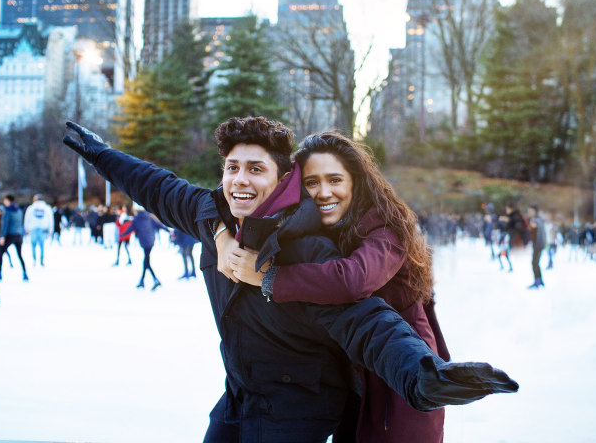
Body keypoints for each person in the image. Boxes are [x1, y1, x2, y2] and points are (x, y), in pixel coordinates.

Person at [63, 118, 518, 442]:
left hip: (300, 402)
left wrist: (424, 374)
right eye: (232, 168)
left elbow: (365, 317)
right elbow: (160, 187)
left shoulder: (312, 247)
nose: (240, 180)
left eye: (256, 169)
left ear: (285, 180)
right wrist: (103, 156)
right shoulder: (214, 216)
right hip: (242, 392)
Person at [216, 132, 448, 442]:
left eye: (335, 180)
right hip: (348, 369)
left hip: (396, 368)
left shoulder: (384, 226)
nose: (323, 193)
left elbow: (354, 279)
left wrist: (270, 278)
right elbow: (210, 198)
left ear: (356, 182)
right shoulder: (320, 228)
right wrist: (220, 234)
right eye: (311, 183)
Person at [120, 203, 169, 289]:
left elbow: (130, 229)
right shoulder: (149, 217)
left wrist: (122, 234)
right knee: (146, 261)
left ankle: (153, 280)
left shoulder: (136, 220)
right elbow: (159, 225)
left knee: (146, 262)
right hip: (151, 241)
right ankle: (144, 281)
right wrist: (168, 230)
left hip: (144, 242)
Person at [0, 194, 29, 282]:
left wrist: (2, 236)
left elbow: (5, 224)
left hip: (10, 235)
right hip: (18, 236)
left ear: (7, 200)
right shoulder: (19, 210)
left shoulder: (7, 210)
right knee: (19, 255)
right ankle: (25, 273)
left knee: (0, 252)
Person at [24, 194, 54, 267]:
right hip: (43, 228)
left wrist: (26, 229)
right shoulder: (47, 208)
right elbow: (50, 219)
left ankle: (34, 259)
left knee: (33, 246)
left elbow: (27, 219)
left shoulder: (31, 208)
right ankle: (41, 260)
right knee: (42, 246)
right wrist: (50, 230)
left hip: (33, 228)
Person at [527, 205, 546, 289]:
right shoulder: (539, 219)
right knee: (536, 263)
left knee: (534, 263)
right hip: (538, 244)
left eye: (530, 211)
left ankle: (537, 281)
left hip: (538, 244)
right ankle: (539, 281)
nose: (529, 213)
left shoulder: (536, 219)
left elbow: (533, 225)